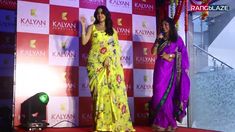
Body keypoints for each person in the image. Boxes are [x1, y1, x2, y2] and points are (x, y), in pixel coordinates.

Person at [80, 5, 135, 132]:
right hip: (96, 65)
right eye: (98, 13)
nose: (100, 15)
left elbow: (116, 50)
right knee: (99, 94)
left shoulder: (112, 31)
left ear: (106, 15)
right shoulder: (92, 27)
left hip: (110, 66)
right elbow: (84, 42)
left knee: (113, 94)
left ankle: (115, 125)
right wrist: (83, 26)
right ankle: (101, 126)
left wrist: (110, 60)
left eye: (102, 13)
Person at [150, 17, 190, 132]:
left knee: (167, 97)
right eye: (163, 25)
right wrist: (157, 40)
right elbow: (153, 52)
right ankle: (166, 122)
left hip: (170, 72)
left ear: (171, 26)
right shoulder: (161, 38)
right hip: (159, 69)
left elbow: (183, 54)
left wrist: (171, 56)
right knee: (157, 96)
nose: (164, 27)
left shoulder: (177, 39)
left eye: (166, 24)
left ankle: (169, 123)